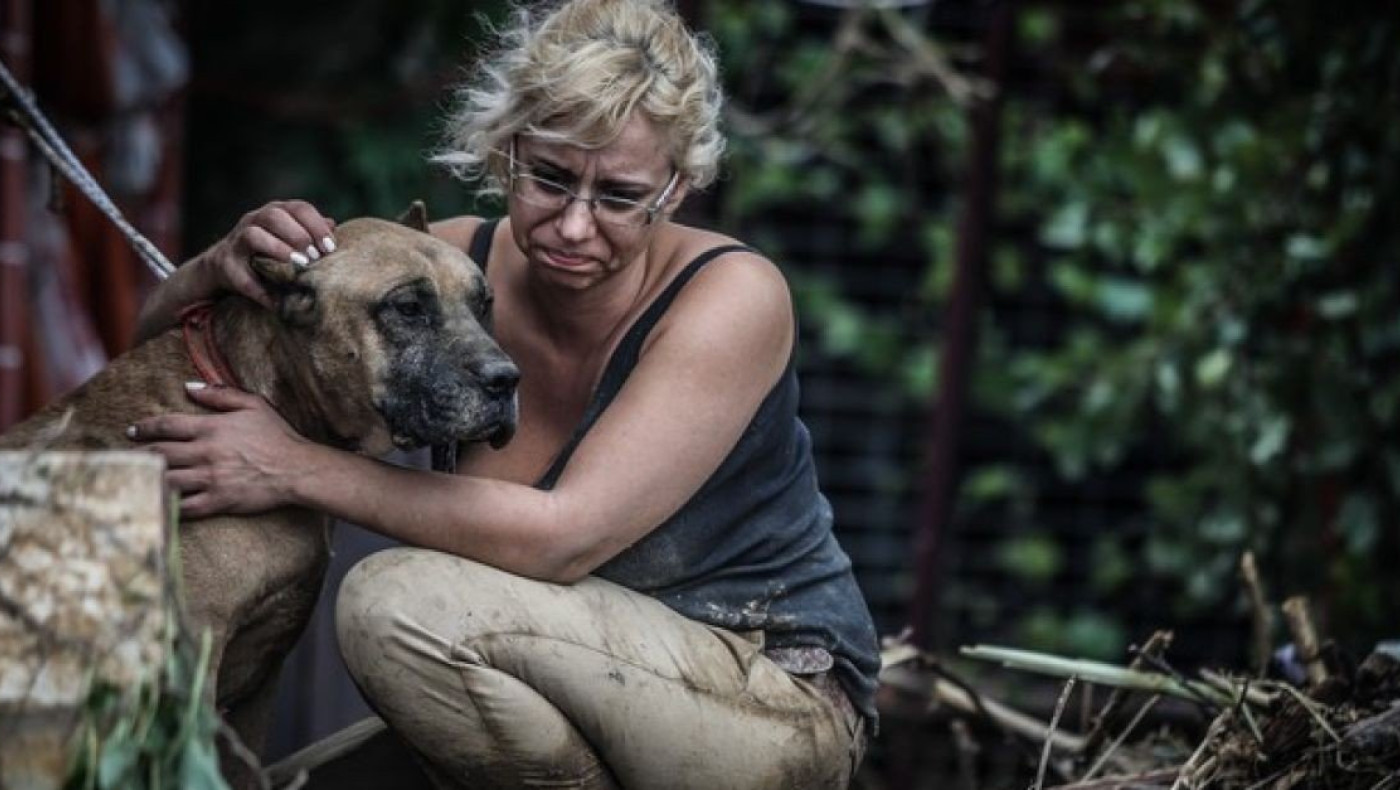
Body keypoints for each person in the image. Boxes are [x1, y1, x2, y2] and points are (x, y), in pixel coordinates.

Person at [131, 0, 880, 786]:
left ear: (676, 189)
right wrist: (216, 269)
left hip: (765, 701)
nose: (574, 226)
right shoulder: (444, 270)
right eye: (550, 179)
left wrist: (291, 467)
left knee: (396, 604)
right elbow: (160, 364)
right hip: (549, 691)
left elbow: (562, 536)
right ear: (507, 152)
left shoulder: (732, 296)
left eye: (620, 196)